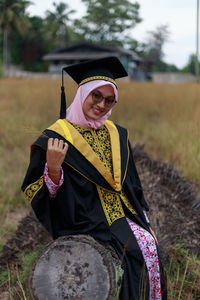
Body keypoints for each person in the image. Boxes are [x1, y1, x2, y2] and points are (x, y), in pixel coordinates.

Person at [22, 56, 167, 299]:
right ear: (82, 94)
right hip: (85, 220)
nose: (101, 105)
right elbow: (35, 190)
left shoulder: (117, 134)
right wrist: (54, 170)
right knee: (128, 257)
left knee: (151, 248)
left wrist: (145, 223)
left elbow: (132, 185)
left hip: (123, 216)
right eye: (96, 96)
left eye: (109, 101)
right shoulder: (56, 138)